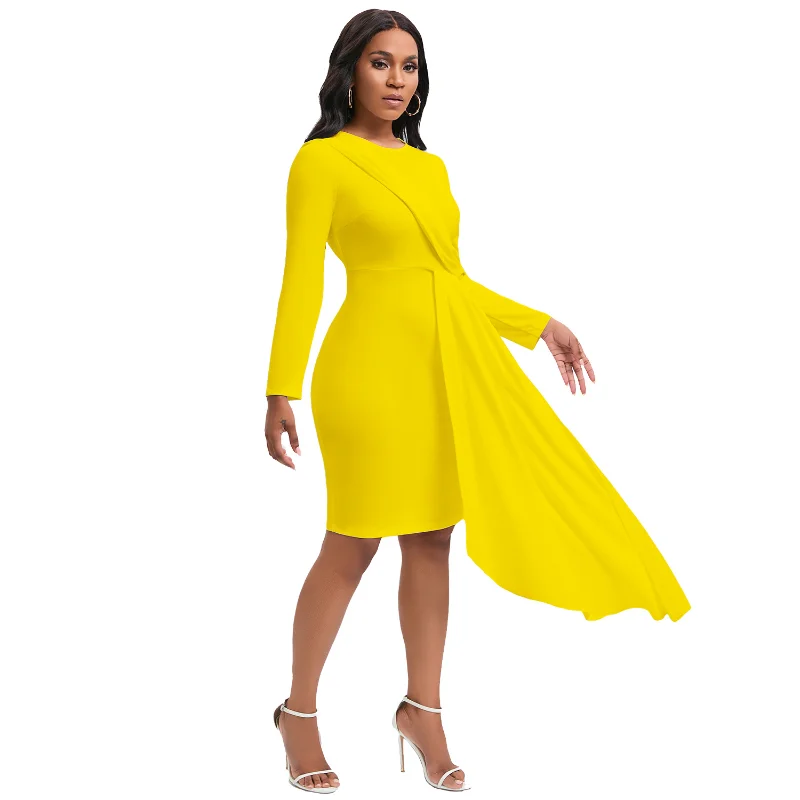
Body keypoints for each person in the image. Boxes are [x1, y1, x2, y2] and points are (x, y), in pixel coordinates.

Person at [264, 10, 691, 795]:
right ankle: (299, 714)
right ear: (349, 71)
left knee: (432, 540)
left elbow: (449, 285)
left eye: (410, 67)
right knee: (352, 542)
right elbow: (302, 278)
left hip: (437, 372)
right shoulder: (319, 161)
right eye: (381, 63)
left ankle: (422, 712)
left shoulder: (430, 169)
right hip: (364, 376)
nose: (397, 81)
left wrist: (538, 325)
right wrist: (279, 386)